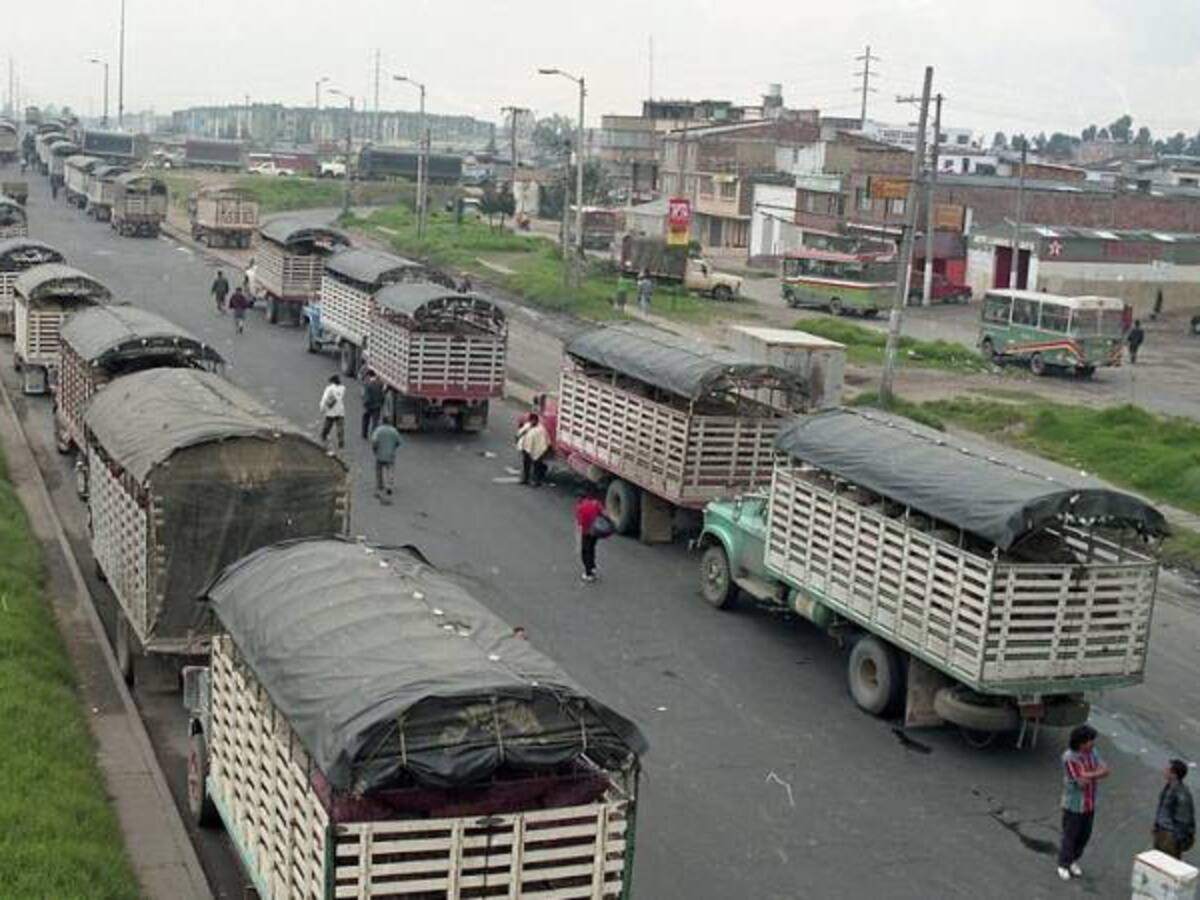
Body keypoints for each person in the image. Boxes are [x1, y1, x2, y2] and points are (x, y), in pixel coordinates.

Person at [1057, 724, 1110, 881]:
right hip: (1074, 804)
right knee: (1070, 835)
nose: (1092, 744)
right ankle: (1063, 863)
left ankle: (1073, 859)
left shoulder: (1092, 752)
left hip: (1089, 802)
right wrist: (1094, 774)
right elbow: (1080, 782)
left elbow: (1106, 770)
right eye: (1089, 741)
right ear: (1081, 742)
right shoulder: (1069, 757)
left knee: (1084, 835)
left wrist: (1088, 774)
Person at [1153, 759, 1195, 859]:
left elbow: (1184, 820)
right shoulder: (1169, 787)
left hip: (1170, 836)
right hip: (1161, 831)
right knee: (1157, 861)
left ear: (1174, 774)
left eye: (1168, 769)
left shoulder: (1182, 794)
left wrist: (1175, 839)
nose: (1164, 770)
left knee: (1168, 862)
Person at [575, 490, 605, 582]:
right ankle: (593, 567)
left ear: (580, 498)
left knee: (585, 552)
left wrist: (577, 538)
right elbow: (603, 513)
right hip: (595, 531)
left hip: (586, 532)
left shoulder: (579, 507)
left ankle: (589, 574)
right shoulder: (596, 503)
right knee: (592, 549)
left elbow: (580, 523)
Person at [369, 420, 403, 498]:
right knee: (390, 470)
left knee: (378, 470)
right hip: (390, 455)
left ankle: (380, 484)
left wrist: (375, 450)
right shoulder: (394, 431)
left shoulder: (378, 430)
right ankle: (389, 485)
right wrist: (393, 448)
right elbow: (399, 442)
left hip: (380, 454)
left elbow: (374, 441)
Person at [516, 413, 550, 486]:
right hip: (526, 449)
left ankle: (536, 481)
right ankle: (525, 478)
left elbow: (544, 441)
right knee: (526, 464)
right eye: (531, 420)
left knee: (536, 466)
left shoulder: (541, 429)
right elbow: (520, 433)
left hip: (537, 450)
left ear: (536, 421)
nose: (532, 422)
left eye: (533, 420)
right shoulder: (527, 426)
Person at [318, 375, 346, 452]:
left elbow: (324, 399)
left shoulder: (329, 389)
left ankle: (323, 436)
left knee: (327, 426)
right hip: (340, 412)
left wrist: (322, 408)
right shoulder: (343, 388)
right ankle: (341, 443)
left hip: (330, 412)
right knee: (340, 428)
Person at [361, 370, 385, 440]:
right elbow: (382, 395)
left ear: (368, 375)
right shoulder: (380, 383)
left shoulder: (367, 384)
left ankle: (364, 434)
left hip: (369, 406)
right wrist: (381, 403)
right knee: (375, 421)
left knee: (366, 419)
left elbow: (366, 396)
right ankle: (374, 436)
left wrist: (365, 404)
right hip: (377, 406)